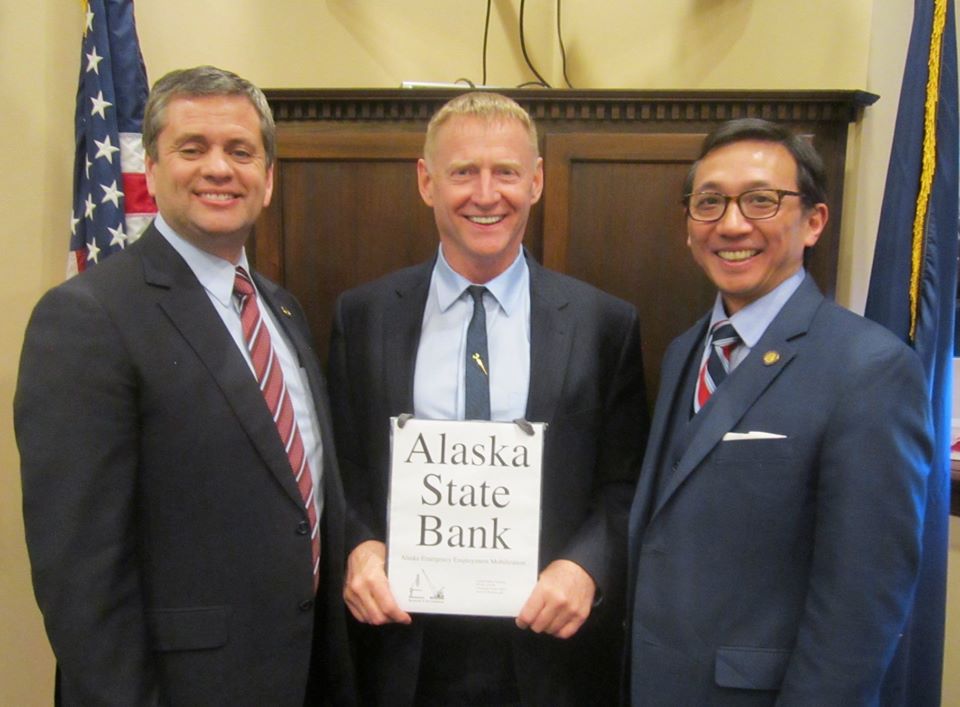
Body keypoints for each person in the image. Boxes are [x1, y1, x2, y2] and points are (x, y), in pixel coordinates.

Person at [15, 66, 355, 706]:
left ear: (269, 177)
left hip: (301, 678)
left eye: (240, 151)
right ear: (152, 165)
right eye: (193, 148)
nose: (219, 169)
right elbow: (80, 575)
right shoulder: (88, 318)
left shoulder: (282, 311)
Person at [328, 91, 647, 706]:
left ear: (537, 181)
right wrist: (360, 545)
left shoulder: (604, 323)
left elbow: (626, 483)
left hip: (548, 651)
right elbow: (340, 468)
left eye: (505, 171)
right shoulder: (365, 315)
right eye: (462, 172)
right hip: (401, 649)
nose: (485, 193)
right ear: (426, 181)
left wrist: (587, 566)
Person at [625, 118, 932, 706]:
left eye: (761, 200)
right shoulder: (686, 349)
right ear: (689, 225)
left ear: (813, 221)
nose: (731, 224)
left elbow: (863, 603)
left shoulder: (870, 369)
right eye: (709, 202)